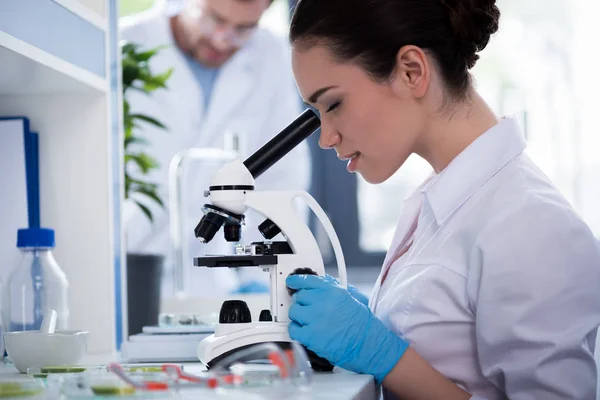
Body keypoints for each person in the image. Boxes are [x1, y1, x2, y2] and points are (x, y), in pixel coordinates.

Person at [284, 0, 600, 398]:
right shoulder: (441, 203)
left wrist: (386, 356)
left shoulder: (532, 225)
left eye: (333, 105)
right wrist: (377, 325)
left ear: (411, 71)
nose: (326, 138)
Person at [120, 0, 311, 296]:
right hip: (127, 264)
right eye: (214, 19)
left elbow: (280, 177)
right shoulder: (124, 44)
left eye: (243, 28)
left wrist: (266, 280)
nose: (223, 39)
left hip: (211, 282)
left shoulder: (270, 56)